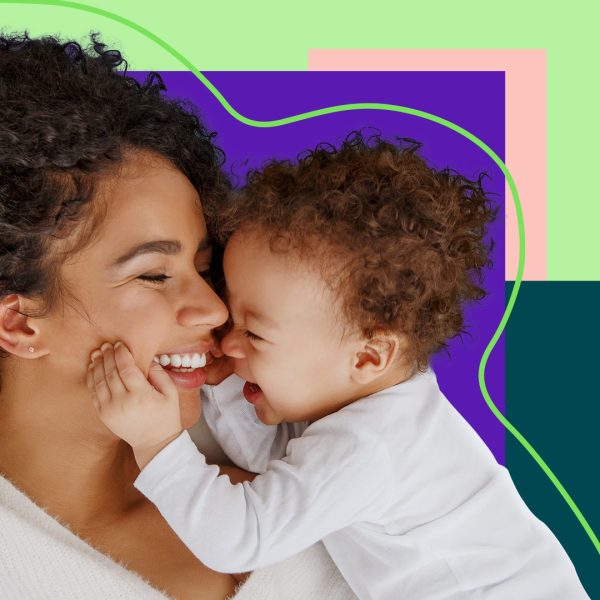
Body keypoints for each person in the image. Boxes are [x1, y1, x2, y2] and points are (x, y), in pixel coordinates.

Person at [89, 135, 589, 600]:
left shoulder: (370, 444)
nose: (225, 337)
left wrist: (156, 443)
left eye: (254, 332)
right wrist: (223, 385)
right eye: (233, 314)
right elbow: (277, 472)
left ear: (369, 356)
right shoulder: (363, 398)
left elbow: (242, 537)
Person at [0, 33, 355, 599]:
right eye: (153, 275)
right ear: (19, 324)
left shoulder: (305, 462)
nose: (215, 308)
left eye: (204, 267)